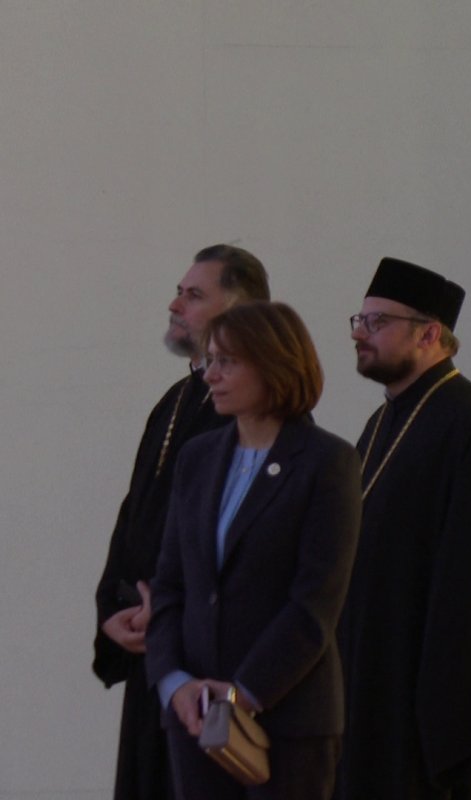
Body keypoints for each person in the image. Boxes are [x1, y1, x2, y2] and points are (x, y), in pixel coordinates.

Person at [336, 257, 471, 799]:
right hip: (379, 674)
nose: (360, 335)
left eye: (378, 322)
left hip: (438, 693)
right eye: (359, 321)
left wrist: (447, 708)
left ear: (430, 333)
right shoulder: (382, 421)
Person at [145, 300, 362, 799]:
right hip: (196, 716)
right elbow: (170, 583)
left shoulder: (327, 462)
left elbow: (315, 603)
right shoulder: (198, 457)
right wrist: (174, 682)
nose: (210, 376)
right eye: (210, 360)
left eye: (227, 362)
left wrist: (242, 691)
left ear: (273, 365)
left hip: (287, 721)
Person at [92, 244, 269, 800]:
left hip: (205, 665)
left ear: (238, 312)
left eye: (193, 295)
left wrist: (169, 609)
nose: (175, 305)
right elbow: (135, 518)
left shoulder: (257, 413)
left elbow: (249, 544)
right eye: (179, 292)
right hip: (152, 650)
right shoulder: (174, 401)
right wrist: (113, 609)